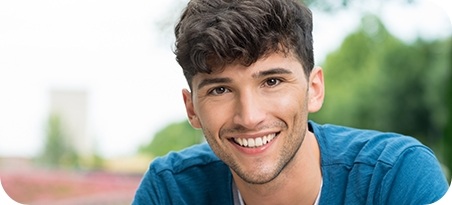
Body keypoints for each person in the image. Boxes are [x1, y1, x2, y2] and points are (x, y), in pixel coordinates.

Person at [133, 0, 449, 204]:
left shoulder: (394, 176)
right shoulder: (170, 191)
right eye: (220, 90)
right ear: (192, 109)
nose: (250, 116)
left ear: (314, 89)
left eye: (272, 82)